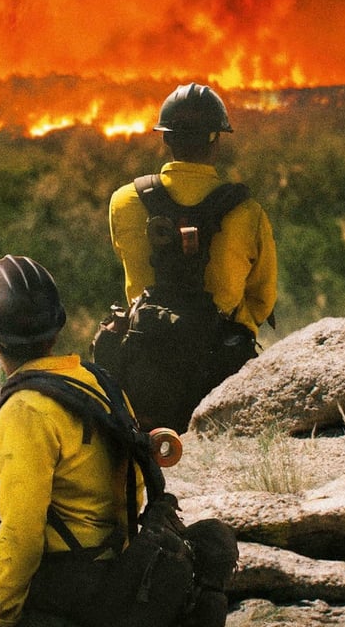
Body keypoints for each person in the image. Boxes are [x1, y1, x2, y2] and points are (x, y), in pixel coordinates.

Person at [0, 254, 237, 627]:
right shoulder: (98, 381)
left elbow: (22, 534)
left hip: (74, 584)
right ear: (56, 329)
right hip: (122, 564)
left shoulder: (24, 410)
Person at [102, 83, 277, 432]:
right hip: (220, 372)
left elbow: (126, 261)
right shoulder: (247, 211)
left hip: (144, 370)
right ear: (216, 141)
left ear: (165, 139)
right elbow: (262, 299)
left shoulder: (124, 201)